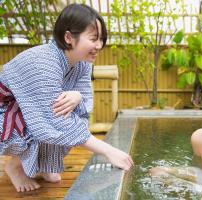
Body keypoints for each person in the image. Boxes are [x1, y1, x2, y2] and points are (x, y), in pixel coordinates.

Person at [0, 4, 133, 193]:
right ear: (69, 37)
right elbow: (52, 120)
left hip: (35, 110)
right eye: (94, 39)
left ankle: (46, 166)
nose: (99, 46)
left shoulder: (82, 62)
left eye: (101, 39)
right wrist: (109, 151)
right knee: (52, 119)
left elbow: (84, 105)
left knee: (68, 113)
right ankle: (15, 166)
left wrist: (77, 95)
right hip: (5, 112)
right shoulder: (44, 62)